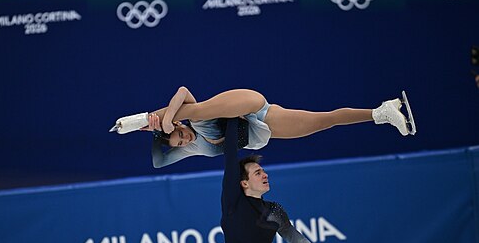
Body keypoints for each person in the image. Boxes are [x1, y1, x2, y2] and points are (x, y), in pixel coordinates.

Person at [209, 118, 342, 243]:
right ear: (244, 183)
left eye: (263, 171)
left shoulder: (274, 211)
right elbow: (230, 154)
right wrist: (232, 117)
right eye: (257, 173)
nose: (265, 174)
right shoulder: (234, 202)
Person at [138, 86, 414, 167]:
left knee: (198, 111)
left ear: (178, 124)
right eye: (181, 142)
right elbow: (159, 162)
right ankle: (381, 113)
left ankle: (381, 113)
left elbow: (183, 92)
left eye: (179, 133)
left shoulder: (194, 119)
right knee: (323, 121)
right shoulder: (193, 148)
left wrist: (156, 119)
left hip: (249, 106)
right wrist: (155, 132)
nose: (184, 139)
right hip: (262, 124)